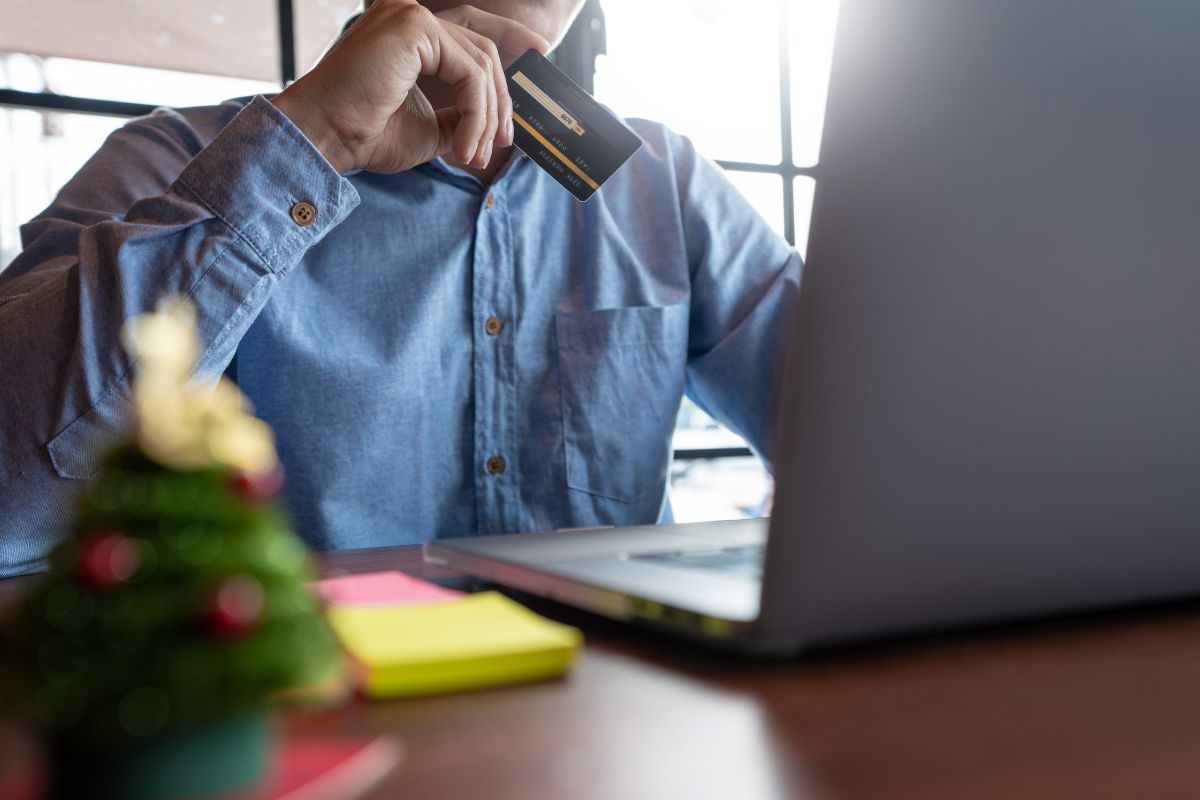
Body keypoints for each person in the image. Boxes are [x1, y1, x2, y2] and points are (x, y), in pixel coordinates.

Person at [0, 0, 801, 577]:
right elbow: (12, 510)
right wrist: (315, 138)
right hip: (305, 725)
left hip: (628, 717)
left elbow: (876, 447)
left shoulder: (663, 182)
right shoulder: (172, 160)